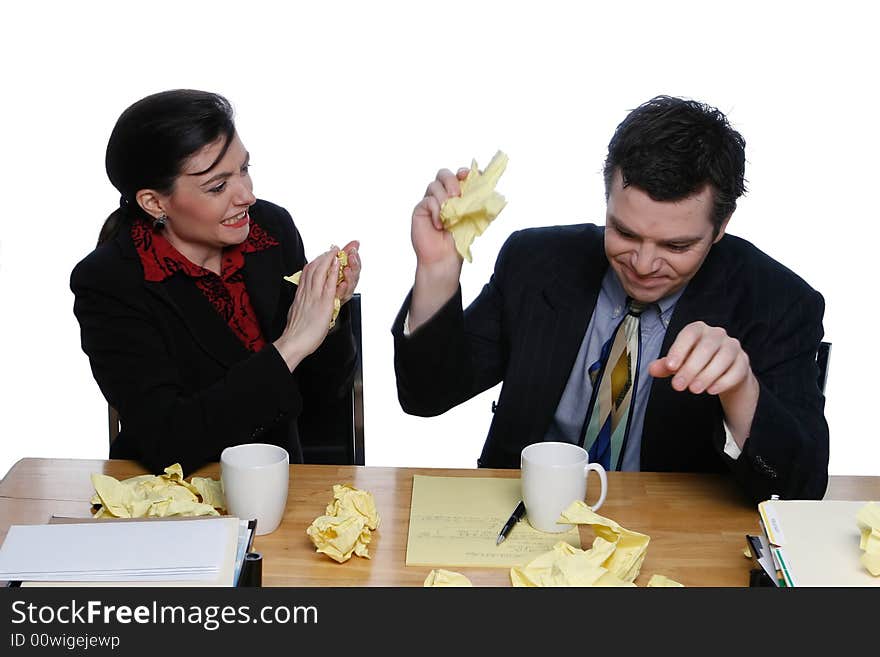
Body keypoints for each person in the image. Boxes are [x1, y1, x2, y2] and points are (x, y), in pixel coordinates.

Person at [392, 95, 828, 502]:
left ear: (721, 226)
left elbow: (802, 490)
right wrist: (436, 270)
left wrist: (740, 390)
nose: (642, 263)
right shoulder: (536, 262)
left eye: (675, 246)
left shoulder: (778, 302)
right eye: (624, 232)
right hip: (524, 520)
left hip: (672, 539)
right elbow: (428, 396)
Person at [71, 89, 360, 475]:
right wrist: (291, 344)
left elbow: (324, 396)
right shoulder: (107, 282)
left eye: (244, 168)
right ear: (155, 203)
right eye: (218, 186)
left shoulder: (271, 230)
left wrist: (330, 312)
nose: (248, 195)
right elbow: (167, 440)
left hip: (275, 478)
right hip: (169, 495)